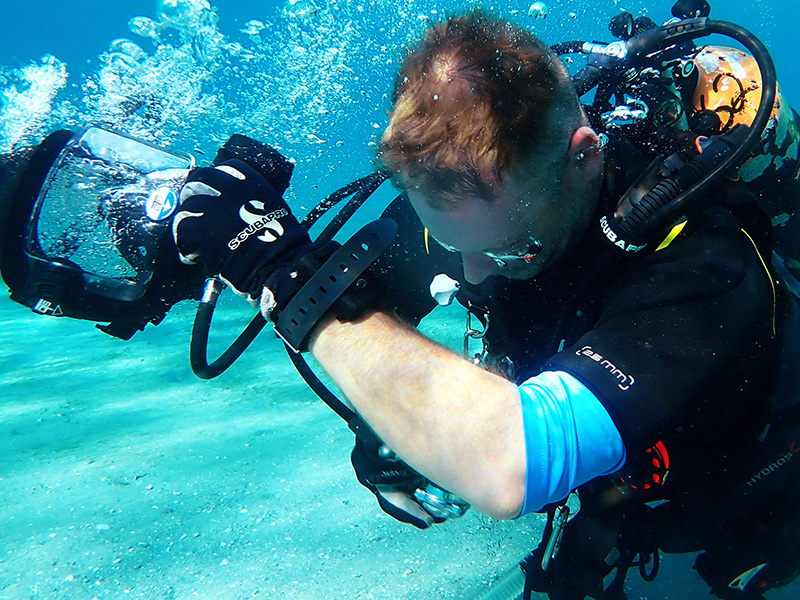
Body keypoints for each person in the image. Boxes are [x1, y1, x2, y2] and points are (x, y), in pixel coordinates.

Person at [173, 10, 800, 599]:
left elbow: (513, 462)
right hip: (613, 490)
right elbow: (369, 310)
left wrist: (295, 291)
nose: (470, 270)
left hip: (741, 477)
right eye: (450, 245)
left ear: (583, 157)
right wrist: (390, 422)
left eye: (510, 248)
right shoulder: (472, 206)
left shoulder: (702, 257)